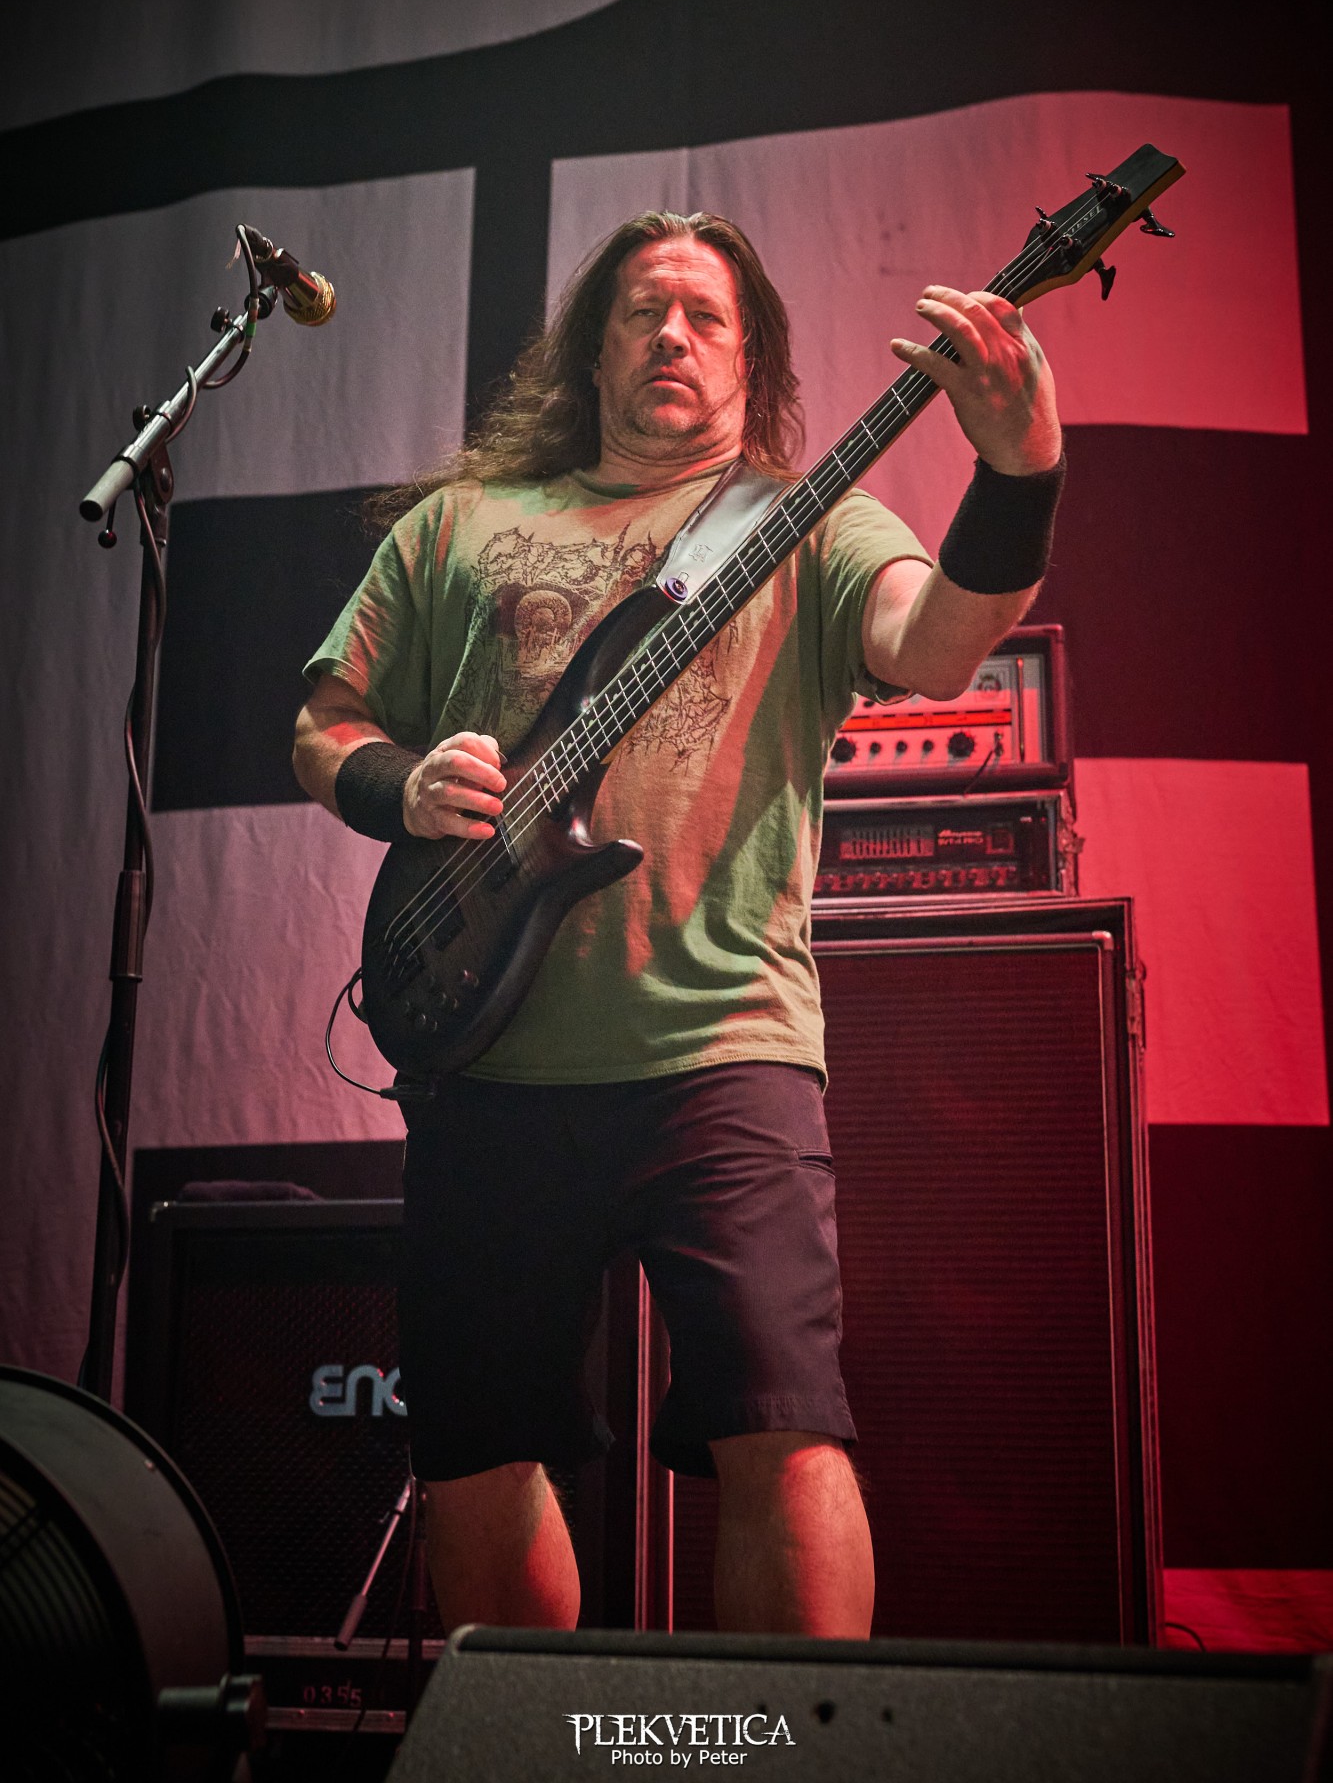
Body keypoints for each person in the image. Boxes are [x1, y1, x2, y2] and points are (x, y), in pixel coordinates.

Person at [293, 211, 1063, 1639]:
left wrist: (1020, 469)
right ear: (592, 351)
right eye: (644, 310)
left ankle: (792, 1745)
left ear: (749, 359)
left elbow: (939, 643)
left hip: (724, 1047)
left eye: (709, 317)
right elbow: (323, 723)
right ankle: (539, 1746)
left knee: (786, 1427)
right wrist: (401, 784)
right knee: (476, 1454)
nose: (673, 336)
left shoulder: (808, 521)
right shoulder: (459, 526)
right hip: (488, 1056)